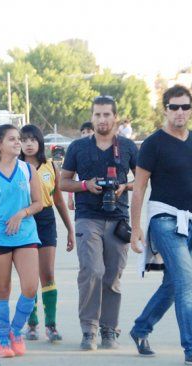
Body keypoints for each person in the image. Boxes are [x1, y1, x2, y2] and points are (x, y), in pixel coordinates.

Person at [129, 84, 192, 366]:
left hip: (190, 221)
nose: (179, 112)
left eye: (185, 107)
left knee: (173, 284)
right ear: (165, 109)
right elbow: (140, 188)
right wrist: (136, 229)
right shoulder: (153, 144)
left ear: (191, 110)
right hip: (164, 220)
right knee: (188, 284)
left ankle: (141, 329)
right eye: (174, 107)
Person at [60, 95, 138, 351]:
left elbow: (142, 181)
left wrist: (124, 186)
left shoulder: (127, 147)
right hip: (87, 217)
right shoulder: (78, 148)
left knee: (113, 276)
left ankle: (109, 330)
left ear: (115, 117)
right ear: (92, 117)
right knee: (92, 271)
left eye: (107, 115)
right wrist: (85, 185)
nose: (102, 119)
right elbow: (62, 182)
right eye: (97, 115)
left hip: (118, 219)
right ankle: (88, 329)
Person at [0, 124, 43, 358]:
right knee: (2, 290)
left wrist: (21, 214)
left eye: (18, 139)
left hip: (25, 233)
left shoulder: (27, 169)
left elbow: (39, 203)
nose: (18, 143)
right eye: (12, 139)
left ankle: (15, 331)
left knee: (30, 287)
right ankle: (1, 338)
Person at [19, 124, 75, 342]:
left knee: (48, 274)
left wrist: (70, 229)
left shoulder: (50, 166)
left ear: (40, 142)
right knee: (30, 277)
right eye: (24, 140)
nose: (29, 144)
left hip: (46, 219)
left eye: (33, 139)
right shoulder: (16, 167)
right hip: (25, 220)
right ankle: (31, 324)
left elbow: (59, 200)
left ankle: (51, 325)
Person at [67, 122, 95, 211]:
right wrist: (70, 198)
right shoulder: (78, 153)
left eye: (89, 131)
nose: (86, 134)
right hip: (83, 198)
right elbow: (71, 177)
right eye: (83, 132)